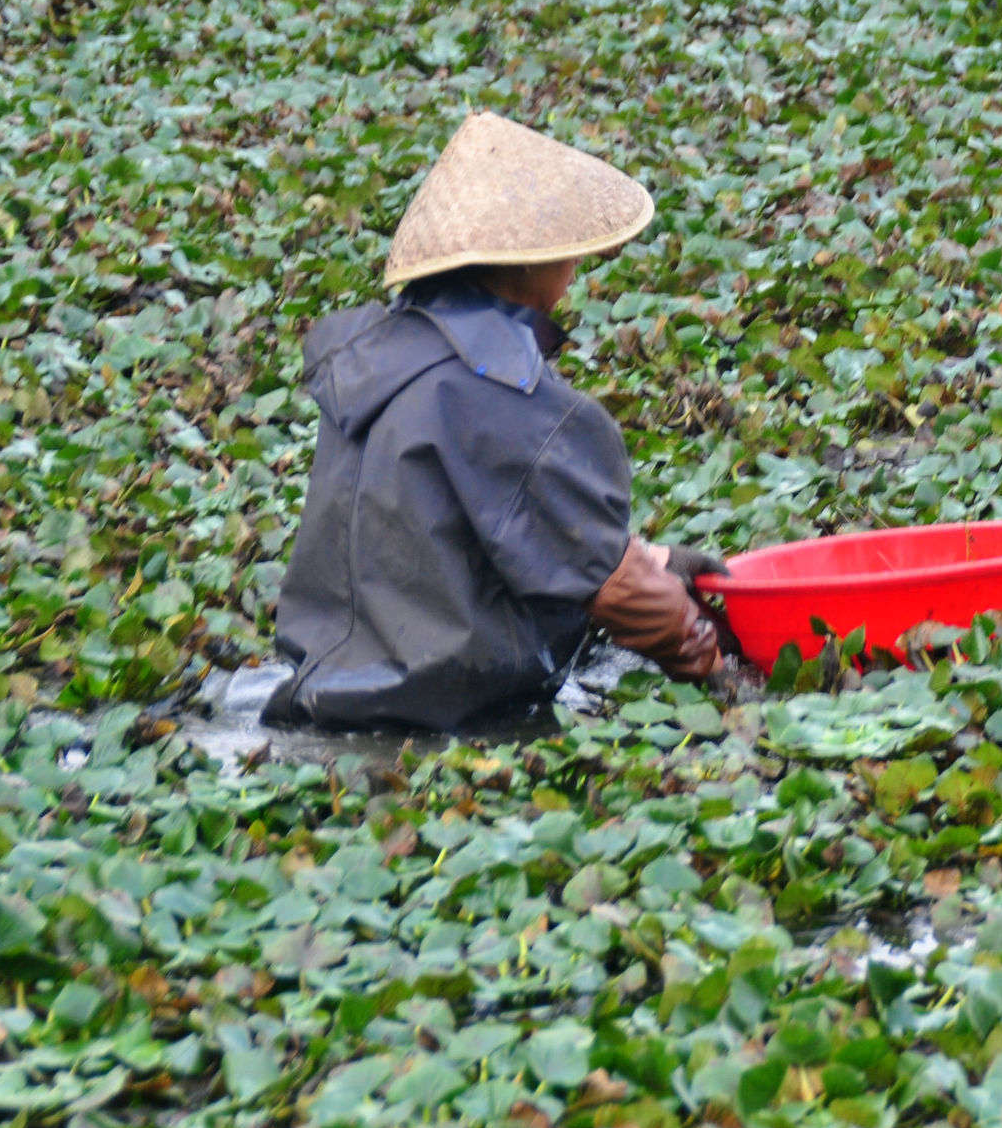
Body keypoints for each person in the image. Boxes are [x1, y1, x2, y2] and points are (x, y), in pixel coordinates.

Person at [267, 112, 725, 731]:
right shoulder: (505, 396)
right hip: (439, 724)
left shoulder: (375, 366)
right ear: (531, 268)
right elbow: (620, 593)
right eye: (568, 259)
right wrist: (712, 666)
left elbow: (467, 533)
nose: (572, 277)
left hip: (320, 701)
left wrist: (659, 560)